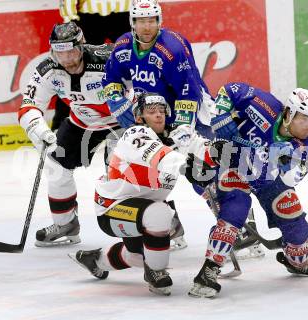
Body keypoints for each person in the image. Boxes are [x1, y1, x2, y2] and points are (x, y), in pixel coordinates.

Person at [188, 83, 308, 298]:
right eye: (304, 118)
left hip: (265, 178)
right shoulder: (265, 103)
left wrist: (288, 164)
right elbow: (229, 89)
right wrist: (222, 115)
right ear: (289, 113)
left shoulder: (307, 148)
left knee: (294, 218)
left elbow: (292, 179)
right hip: (232, 165)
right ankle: (209, 271)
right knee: (236, 209)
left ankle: (297, 263)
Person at [68, 92, 216, 296]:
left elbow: (203, 148)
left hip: (142, 210)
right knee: (160, 214)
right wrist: (189, 166)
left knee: (138, 255)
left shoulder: (179, 134)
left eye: (162, 111)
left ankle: (94, 260)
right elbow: (160, 156)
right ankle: (156, 273)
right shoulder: (134, 134)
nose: (158, 115)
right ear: (139, 117)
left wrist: (221, 155)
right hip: (113, 208)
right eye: (151, 111)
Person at [101, 0, 215, 250]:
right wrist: (118, 104)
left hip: (192, 113)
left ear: (159, 21)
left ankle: (233, 227)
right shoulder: (122, 47)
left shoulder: (171, 48)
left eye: (152, 20)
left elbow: (190, 90)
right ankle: (170, 228)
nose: (147, 26)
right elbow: (110, 79)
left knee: (204, 172)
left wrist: (183, 128)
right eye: (141, 21)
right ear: (132, 22)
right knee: (142, 171)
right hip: (153, 116)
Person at [18, 21, 122, 247]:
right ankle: (66, 224)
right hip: (82, 121)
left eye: (71, 51)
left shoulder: (109, 60)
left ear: (82, 45)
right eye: (59, 52)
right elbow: (29, 106)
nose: (66, 59)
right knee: (56, 166)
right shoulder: (47, 69)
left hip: (121, 122)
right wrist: (39, 130)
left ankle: (162, 225)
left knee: (123, 175)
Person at [52, 0, 132, 131]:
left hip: (125, 13)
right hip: (90, 16)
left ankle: (144, 123)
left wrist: (146, 11)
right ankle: (59, 127)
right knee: (72, 72)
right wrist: (69, 17)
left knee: (134, 69)